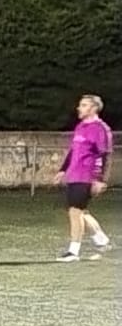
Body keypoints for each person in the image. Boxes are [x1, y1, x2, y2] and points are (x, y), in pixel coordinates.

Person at [54, 93, 112, 262]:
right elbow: (73, 151)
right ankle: (101, 240)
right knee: (80, 211)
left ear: (94, 108)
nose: (79, 108)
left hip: (87, 176)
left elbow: (105, 155)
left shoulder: (100, 128)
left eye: (84, 105)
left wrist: (100, 179)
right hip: (74, 175)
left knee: (75, 211)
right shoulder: (80, 126)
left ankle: (73, 252)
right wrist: (63, 170)